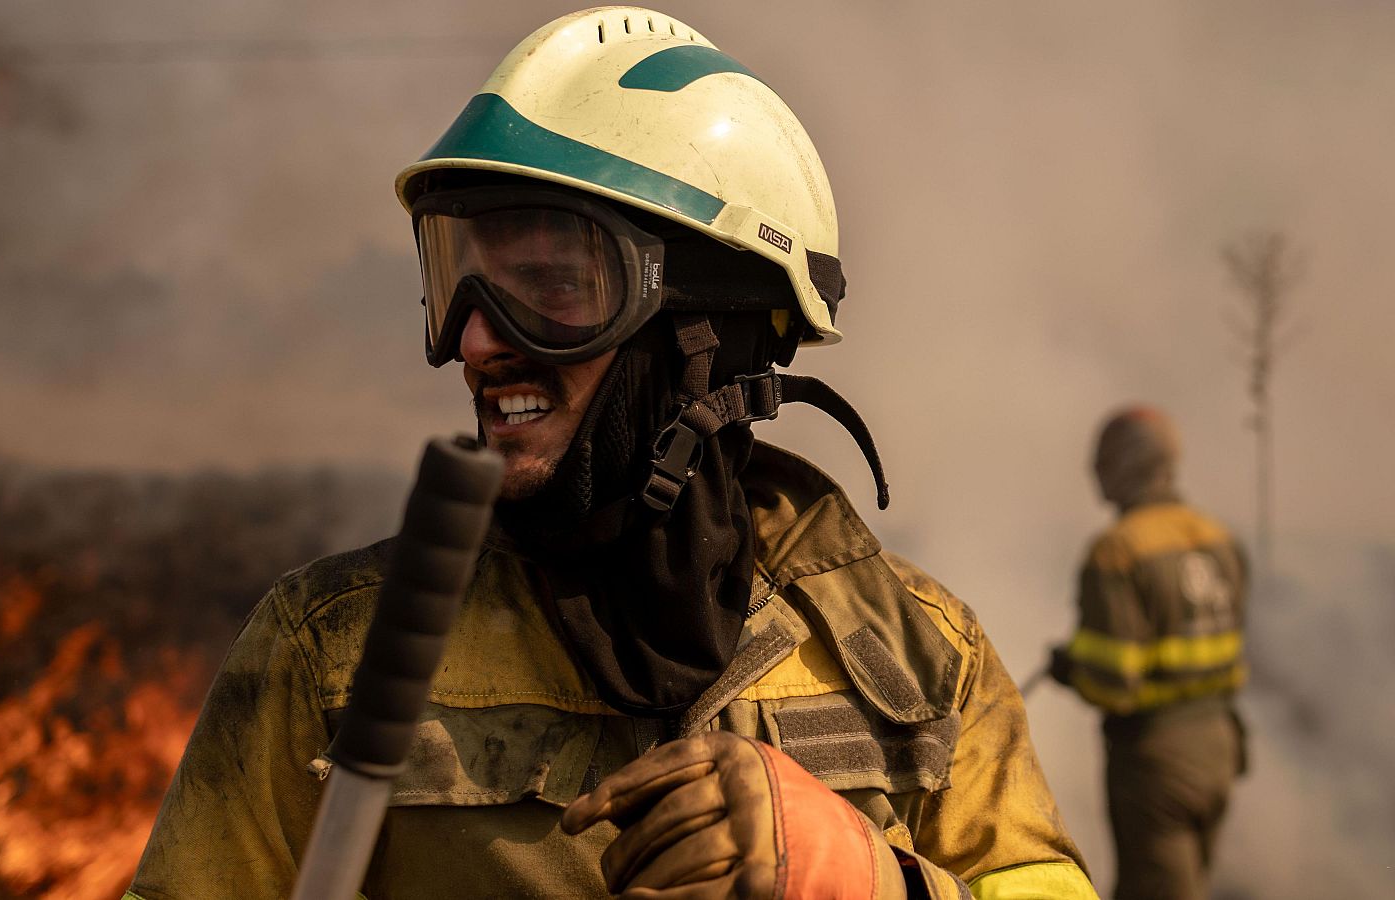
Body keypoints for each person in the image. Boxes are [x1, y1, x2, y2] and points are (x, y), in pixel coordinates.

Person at [129, 8, 1096, 898]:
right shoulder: (331, 656)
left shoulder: (919, 658)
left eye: (552, 284)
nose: (473, 341)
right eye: (457, 283)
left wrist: (864, 878)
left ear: (708, 325)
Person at [1049, 407, 1247, 900]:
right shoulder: (1218, 538)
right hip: (1221, 746)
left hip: (1157, 761)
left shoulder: (1118, 551)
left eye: (1103, 460)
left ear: (1122, 465)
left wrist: (1071, 670)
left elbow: (1113, 683)